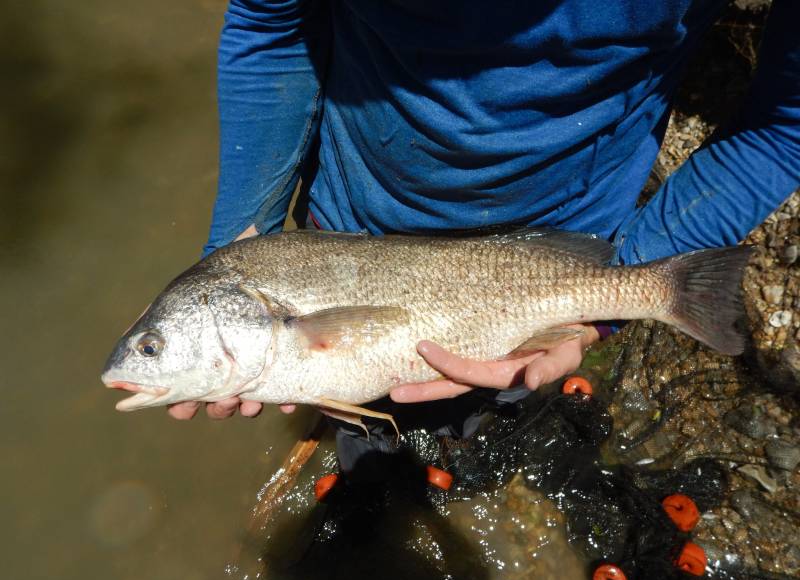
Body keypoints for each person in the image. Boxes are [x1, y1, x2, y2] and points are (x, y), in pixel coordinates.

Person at [168, 0, 800, 425]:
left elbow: (785, 126)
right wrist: (236, 255)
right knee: (359, 415)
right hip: (342, 234)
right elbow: (272, 26)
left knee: (493, 405)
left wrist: (627, 290)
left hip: (561, 251)